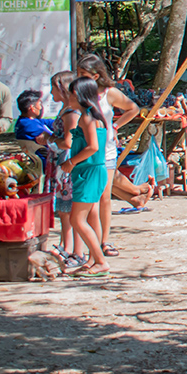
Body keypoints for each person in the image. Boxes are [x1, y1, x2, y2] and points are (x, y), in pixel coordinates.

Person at [77, 53, 142, 256]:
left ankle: (105, 241)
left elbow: (133, 109)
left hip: (106, 150)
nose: (78, 77)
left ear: (96, 76)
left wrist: (114, 126)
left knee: (105, 197)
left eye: (83, 73)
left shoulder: (109, 93)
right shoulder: (79, 92)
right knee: (89, 198)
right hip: (84, 150)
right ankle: (90, 241)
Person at [61, 76, 112, 277]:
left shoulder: (87, 117)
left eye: (71, 93)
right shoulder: (93, 115)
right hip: (91, 172)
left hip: (89, 172)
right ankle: (93, 259)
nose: (68, 97)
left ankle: (100, 261)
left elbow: (92, 147)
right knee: (89, 218)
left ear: (79, 95)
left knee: (77, 220)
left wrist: (71, 162)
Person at [48, 71, 83, 268]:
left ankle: (73, 250)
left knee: (68, 209)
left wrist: (49, 140)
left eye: (54, 87)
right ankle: (66, 246)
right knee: (63, 209)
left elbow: (68, 142)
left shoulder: (71, 112)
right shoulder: (66, 110)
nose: (51, 91)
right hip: (60, 164)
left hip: (66, 165)